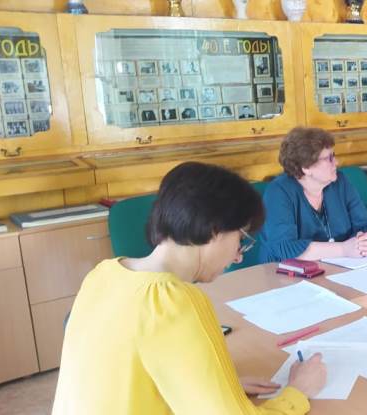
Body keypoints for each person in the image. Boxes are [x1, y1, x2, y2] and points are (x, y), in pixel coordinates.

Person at [53, 162, 326, 414]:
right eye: (240, 239)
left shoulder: (103, 274)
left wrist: (214, 387)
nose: (238, 256)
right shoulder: (173, 301)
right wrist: (298, 391)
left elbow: (134, 375)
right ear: (215, 230)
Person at [259, 127, 367, 263]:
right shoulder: (278, 192)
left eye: (334, 155)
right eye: (329, 158)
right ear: (306, 167)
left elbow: (366, 225)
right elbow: (284, 248)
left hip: (341, 267)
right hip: (284, 271)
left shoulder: (340, 182)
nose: (336, 162)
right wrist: (343, 249)